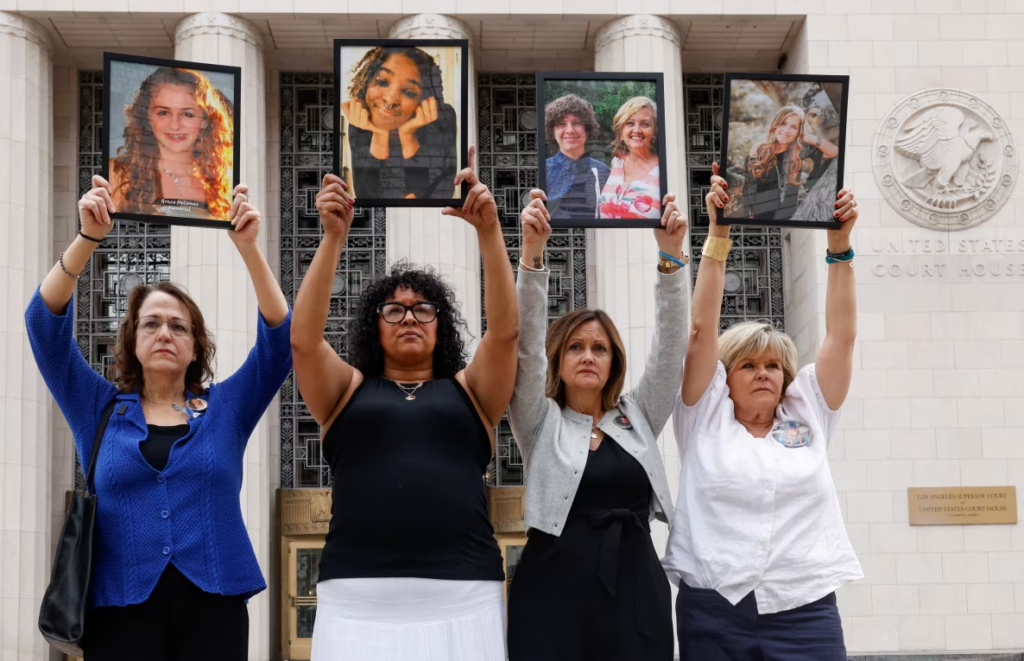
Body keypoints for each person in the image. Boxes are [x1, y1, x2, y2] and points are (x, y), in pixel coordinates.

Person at [26, 175, 291, 661]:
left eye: (178, 326)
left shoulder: (228, 408)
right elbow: (43, 324)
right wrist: (87, 238)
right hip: (118, 609)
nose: (164, 333)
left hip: (215, 607)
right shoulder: (97, 406)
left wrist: (249, 248)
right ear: (132, 340)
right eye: (151, 323)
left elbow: (279, 343)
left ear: (195, 346)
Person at [293, 147, 517, 661]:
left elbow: (505, 335)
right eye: (393, 310)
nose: (410, 318)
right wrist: (333, 237)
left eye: (422, 309)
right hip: (356, 599)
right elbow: (303, 341)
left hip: (465, 594)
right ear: (374, 327)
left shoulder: (472, 391)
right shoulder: (346, 391)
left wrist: (489, 232)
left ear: (441, 325)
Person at [662, 162, 862, 660]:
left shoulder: (809, 409)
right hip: (713, 607)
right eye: (748, 365)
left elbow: (841, 337)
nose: (763, 374)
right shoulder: (703, 416)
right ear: (724, 378)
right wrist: (718, 235)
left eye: (774, 365)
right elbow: (700, 332)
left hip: (804, 607)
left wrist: (839, 246)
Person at [506, 189, 689, 661]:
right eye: (576, 347)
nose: (588, 355)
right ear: (558, 359)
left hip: (636, 590)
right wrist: (532, 256)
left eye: (599, 348)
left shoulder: (638, 415)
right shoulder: (539, 419)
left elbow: (670, 350)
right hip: (552, 592)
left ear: (614, 362)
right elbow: (524, 348)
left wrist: (671, 259)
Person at [110, 66, 235, 220]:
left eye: (187, 114)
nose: (175, 125)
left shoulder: (221, 181)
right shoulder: (118, 174)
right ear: (147, 117)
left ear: (204, 121)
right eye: (163, 112)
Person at [341, 46, 458, 200]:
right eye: (382, 81)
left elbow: (439, 196)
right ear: (367, 82)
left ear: (422, 100)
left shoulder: (443, 119)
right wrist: (379, 135)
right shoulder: (362, 120)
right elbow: (367, 197)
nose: (390, 100)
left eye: (409, 92)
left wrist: (407, 136)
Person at [740, 104, 839, 221]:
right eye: (783, 123)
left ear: (799, 131)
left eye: (794, 127)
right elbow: (749, 189)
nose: (786, 131)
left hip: (789, 218)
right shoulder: (759, 151)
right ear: (775, 124)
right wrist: (750, 219)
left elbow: (835, 151)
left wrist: (809, 137)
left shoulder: (799, 151)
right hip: (760, 218)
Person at [543, 94, 610, 219]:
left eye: (577, 123)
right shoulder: (543, 170)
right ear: (552, 131)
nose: (570, 130)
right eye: (562, 124)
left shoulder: (603, 171)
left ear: (587, 129)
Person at [598, 96, 661, 220]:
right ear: (621, 132)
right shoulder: (616, 164)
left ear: (654, 131)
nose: (636, 130)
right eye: (630, 123)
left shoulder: (664, 169)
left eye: (645, 124)